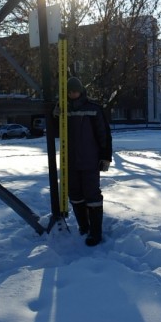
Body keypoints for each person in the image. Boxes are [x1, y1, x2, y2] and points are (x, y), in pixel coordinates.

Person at [65, 76, 112, 246]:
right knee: (75, 195)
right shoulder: (64, 110)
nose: (73, 94)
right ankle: (83, 227)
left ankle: (95, 233)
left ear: (81, 90)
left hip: (90, 161)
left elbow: (104, 134)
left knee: (92, 195)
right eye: (69, 91)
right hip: (70, 162)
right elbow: (57, 132)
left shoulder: (94, 109)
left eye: (75, 90)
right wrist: (54, 116)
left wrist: (106, 156)